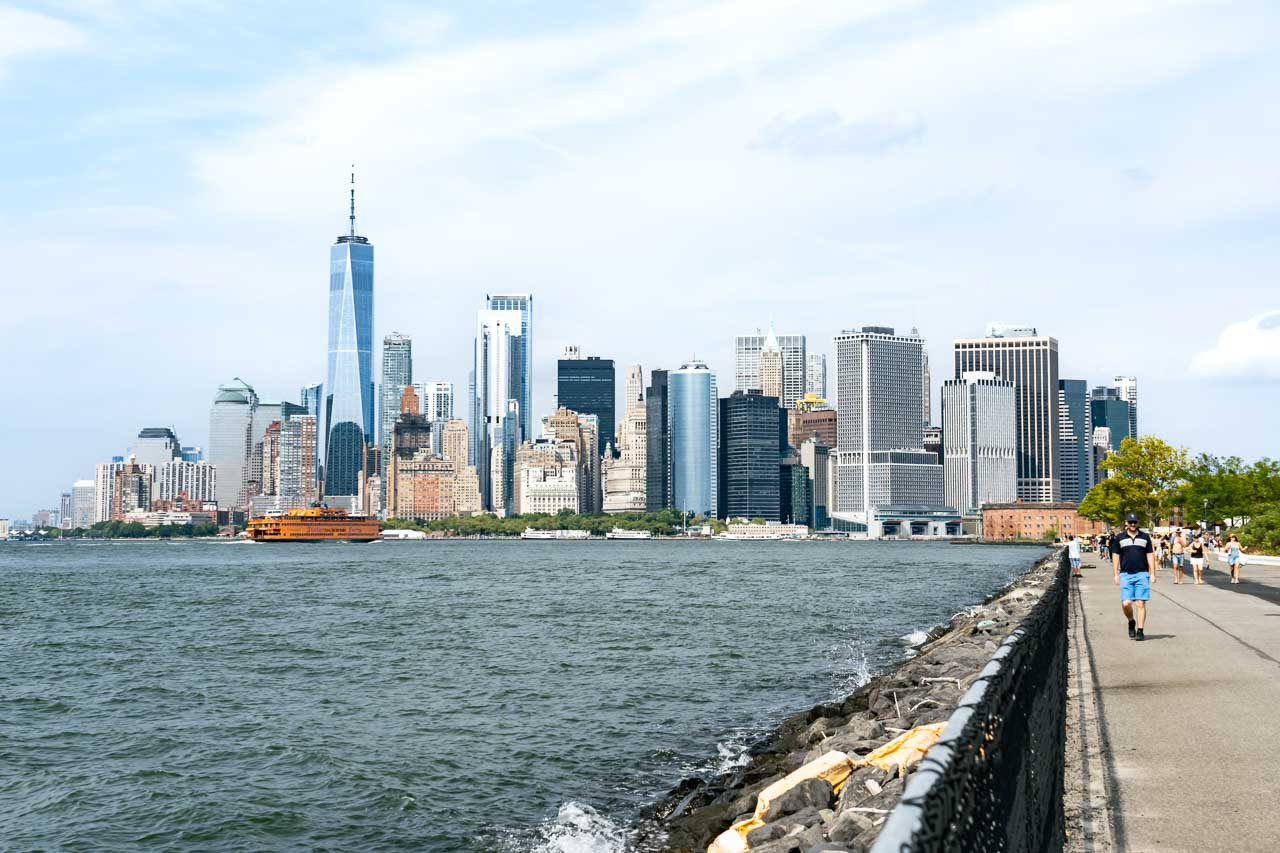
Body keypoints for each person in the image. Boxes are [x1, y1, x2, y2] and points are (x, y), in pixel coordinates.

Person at [1112, 511, 1156, 641]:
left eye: (1134, 522)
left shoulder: (1145, 537)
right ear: (1126, 523)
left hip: (1142, 573)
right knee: (1126, 603)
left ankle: (1140, 630)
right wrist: (1115, 573)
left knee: (1140, 603)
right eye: (1130, 522)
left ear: (1138, 523)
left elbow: (1150, 555)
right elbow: (1115, 555)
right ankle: (1131, 621)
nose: (1132, 524)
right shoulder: (1119, 537)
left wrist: (1153, 573)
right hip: (1125, 574)